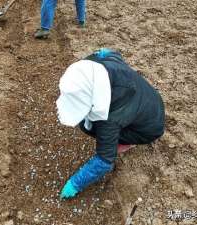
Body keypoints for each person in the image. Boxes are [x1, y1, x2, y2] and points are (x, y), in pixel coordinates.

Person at [56, 48, 165, 199]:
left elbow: (104, 160)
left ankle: (127, 143)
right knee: (90, 124)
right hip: (151, 101)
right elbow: (110, 53)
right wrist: (100, 53)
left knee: (90, 127)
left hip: (149, 128)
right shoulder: (100, 66)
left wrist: (75, 184)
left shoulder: (110, 116)